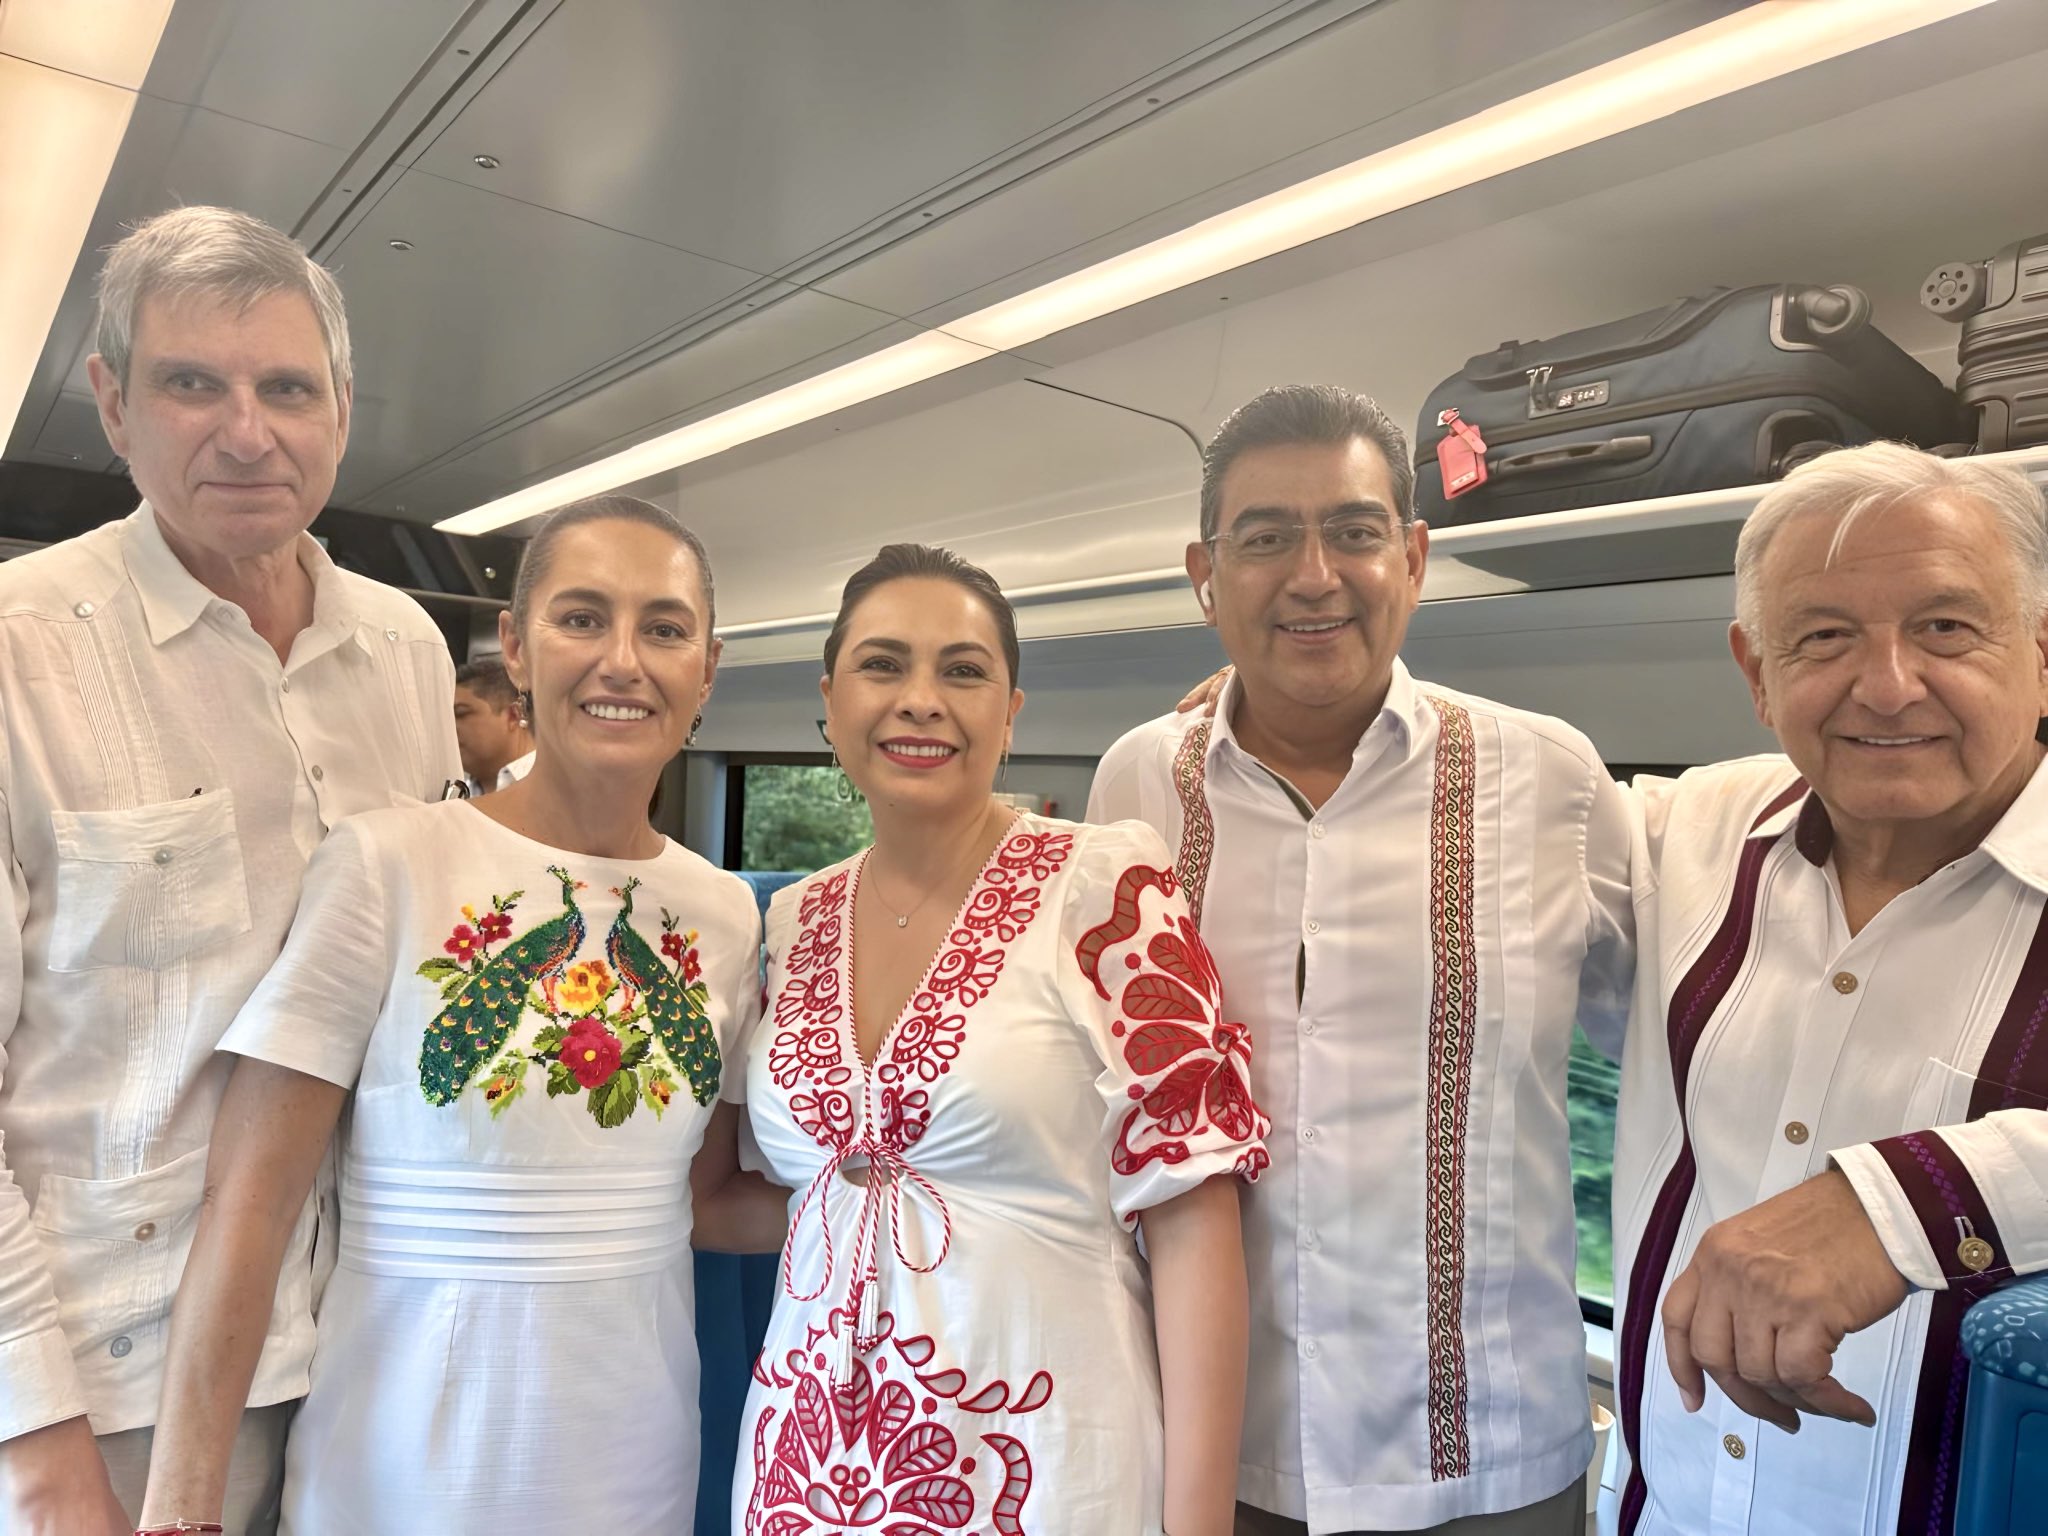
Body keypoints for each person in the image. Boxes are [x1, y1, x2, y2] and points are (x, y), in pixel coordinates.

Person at [138, 495, 785, 1534]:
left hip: (631, 1459)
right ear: (518, 651)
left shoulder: (720, 914)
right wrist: (181, 1505)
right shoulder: (390, 862)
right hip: (402, 1463)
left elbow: (700, 1199)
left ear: (706, 670)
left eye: (662, 629)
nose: (622, 659)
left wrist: (980, 1205)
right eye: (582, 619)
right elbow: (251, 1201)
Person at [1090, 384, 1634, 1535]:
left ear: (1414, 555)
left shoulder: (1556, 781)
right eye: (1265, 537)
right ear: (1205, 573)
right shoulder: (1134, 783)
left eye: (1351, 531)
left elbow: (1679, 1060)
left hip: (1484, 1456)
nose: (1311, 575)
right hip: (1206, 1452)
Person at [0, 206, 459, 1535]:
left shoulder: (407, 653)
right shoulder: (24, 654)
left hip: (378, 1342)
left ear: (343, 410)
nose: (246, 430)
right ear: (112, 403)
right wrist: (38, 1454)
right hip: (112, 1387)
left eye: (286, 388)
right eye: (191, 383)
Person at [729, 543, 1269, 1536]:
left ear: (1010, 709)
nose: (920, 699)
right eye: (882, 664)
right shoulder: (789, 922)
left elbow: (1195, 1226)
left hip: (1046, 1466)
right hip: (804, 1465)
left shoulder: (1106, 886)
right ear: (830, 698)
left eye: (963, 670)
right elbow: (784, 1195)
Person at [1614, 442, 2048, 1534]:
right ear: (1754, 676)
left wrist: (1905, 1203)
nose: (1887, 682)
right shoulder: (1683, 837)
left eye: (1945, 627)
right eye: (1821, 637)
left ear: (2040, 650)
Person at [454, 654, 536, 793]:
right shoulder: (453, 798)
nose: (450, 727)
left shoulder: (563, 784)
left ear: (513, 715)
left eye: (461, 713)